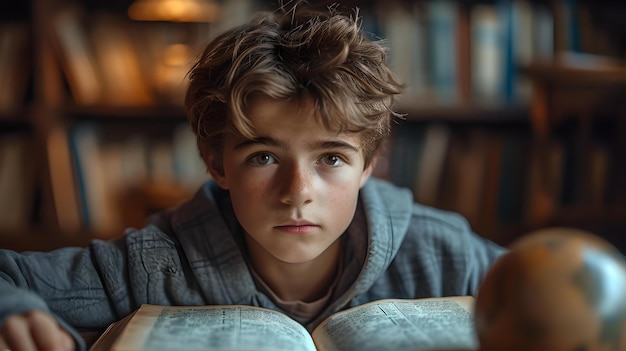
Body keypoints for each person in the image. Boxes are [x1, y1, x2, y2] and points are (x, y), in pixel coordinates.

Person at [0, 3, 505, 350]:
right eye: (264, 157)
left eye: (331, 158)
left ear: (369, 165)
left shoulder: (443, 252)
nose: (298, 193)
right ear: (217, 162)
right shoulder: (155, 265)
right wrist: (13, 310)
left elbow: (562, 288)